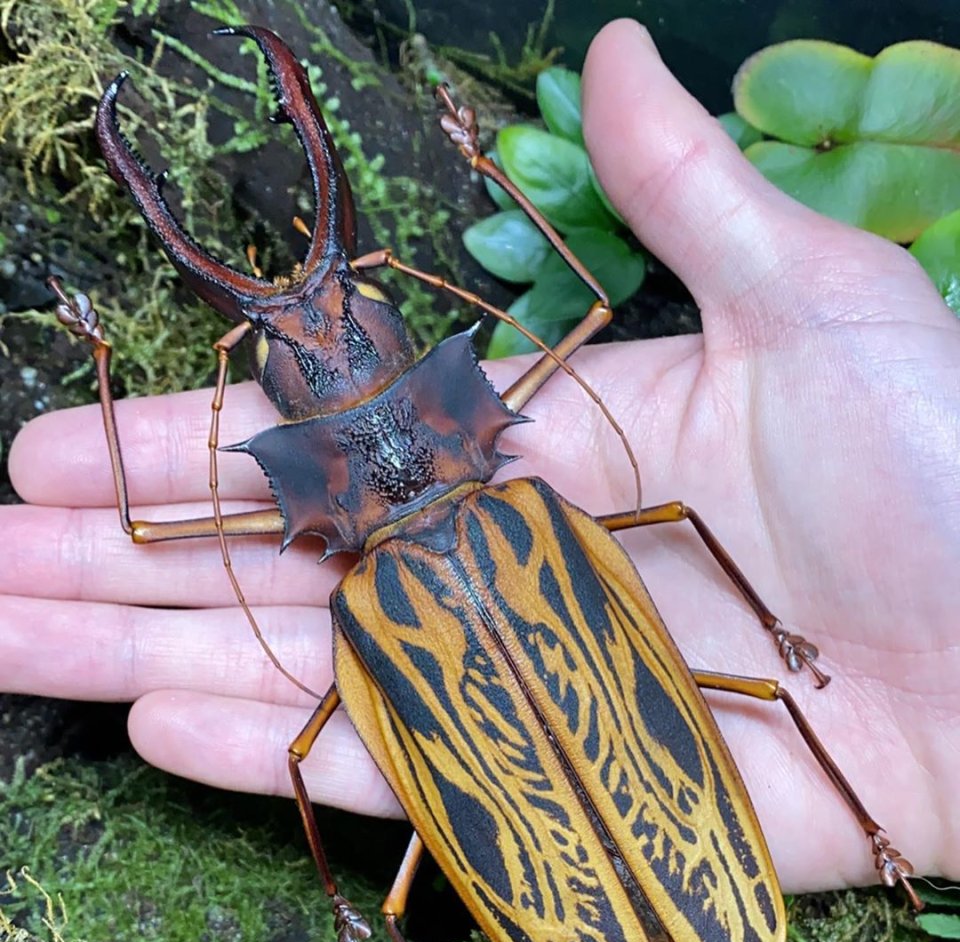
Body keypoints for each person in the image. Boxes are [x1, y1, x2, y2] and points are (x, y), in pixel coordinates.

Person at [4, 19, 958, 895]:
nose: (322, 326)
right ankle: (874, 832)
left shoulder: (376, 562)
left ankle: (867, 827)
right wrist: (482, 161)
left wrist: (100, 357)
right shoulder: (505, 506)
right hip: (507, 649)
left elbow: (137, 529)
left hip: (474, 662)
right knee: (747, 656)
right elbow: (597, 308)